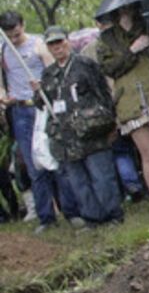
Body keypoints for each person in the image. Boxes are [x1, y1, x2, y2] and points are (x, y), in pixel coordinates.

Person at [96, 4, 149, 214]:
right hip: (130, 101)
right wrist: (132, 50)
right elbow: (110, 68)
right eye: (122, 8)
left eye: (129, 7)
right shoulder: (106, 39)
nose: (126, 11)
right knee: (148, 153)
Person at [40, 26, 123, 227]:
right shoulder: (48, 74)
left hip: (91, 131)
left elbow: (103, 94)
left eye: (60, 42)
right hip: (65, 137)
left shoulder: (85, 65)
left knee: (102, 176)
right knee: (78, 180)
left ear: (67, 41)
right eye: (52, 44)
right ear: (48, 47)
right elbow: (43, 103)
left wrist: (110, 121)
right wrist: (37, 91)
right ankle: (92, 217)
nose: (57, 47)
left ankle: (113, 214)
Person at [0, 11, 56, 231]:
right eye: (9, 36)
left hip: (42, 107)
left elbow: (53, 73)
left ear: (22, 25)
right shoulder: (3, 49)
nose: (14, 39)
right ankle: (46, 217)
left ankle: (71, 209)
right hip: (20, 110)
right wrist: (3, 94)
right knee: (33, 165)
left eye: (17, 34)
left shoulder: (38, 44)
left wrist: (43, 86)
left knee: (55, 157)